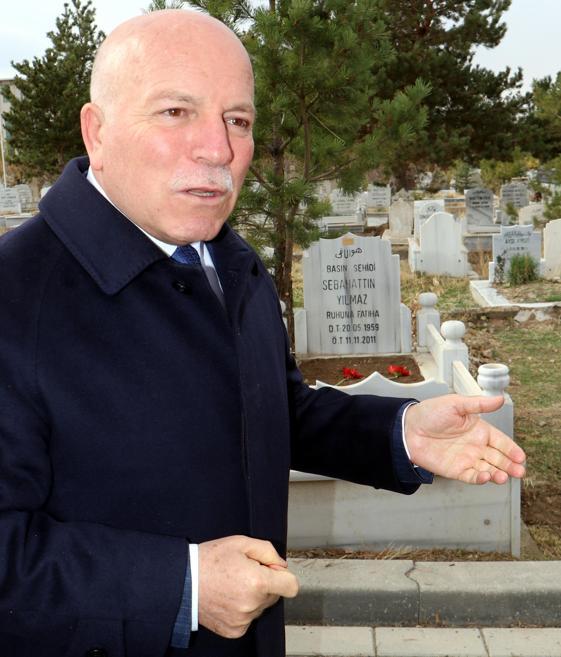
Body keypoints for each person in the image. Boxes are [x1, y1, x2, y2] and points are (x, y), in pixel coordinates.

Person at [0, 9, 526, 657]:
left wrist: (397, 432)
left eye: (238, 120)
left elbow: (270, 409)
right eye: (175, 112)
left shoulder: (226, 259)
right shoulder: (16, 297)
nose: (217, 148)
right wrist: (182, 585)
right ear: (97, 130)